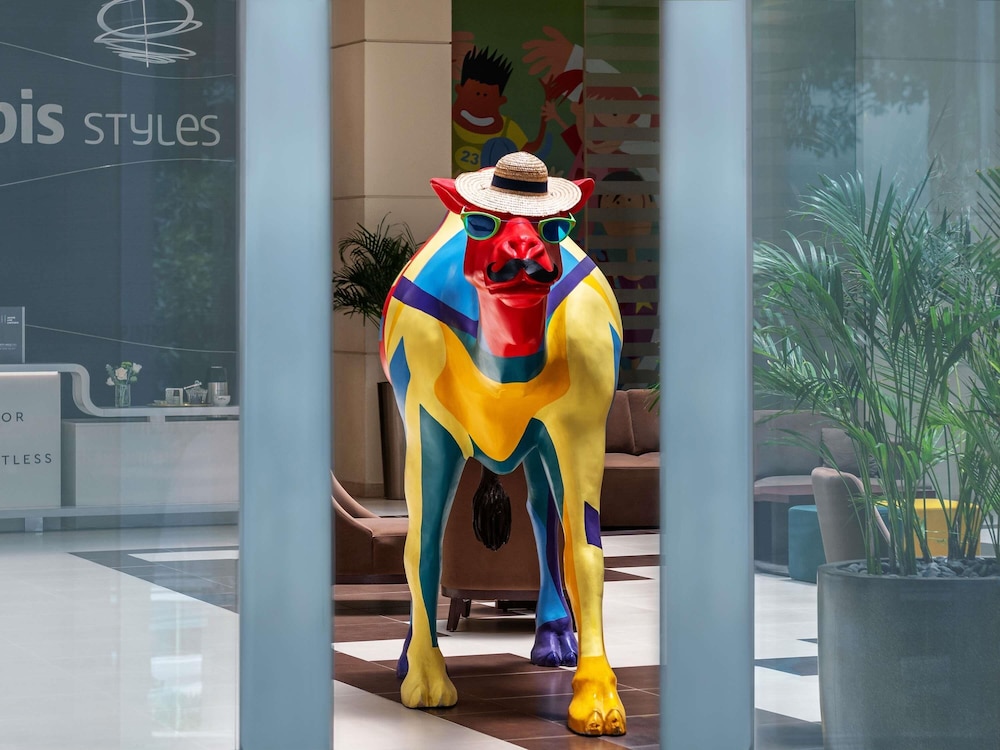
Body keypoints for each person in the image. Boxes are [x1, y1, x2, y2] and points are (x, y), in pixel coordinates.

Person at [452, 47, 547, 175]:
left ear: (501, 100)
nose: (480, 100)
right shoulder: (446, 120)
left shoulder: (507, 128)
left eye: (486, 95)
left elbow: (531, 147)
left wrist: (545, 118)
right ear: (459, 90)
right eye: (475, 94)